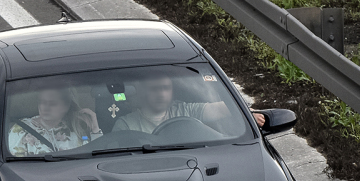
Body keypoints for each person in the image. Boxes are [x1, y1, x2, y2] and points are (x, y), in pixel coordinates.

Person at [112, 71, 266, 134]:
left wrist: (249, 113)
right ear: (144, 92)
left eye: (166, 88)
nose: (161, 93)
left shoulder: (185, 110)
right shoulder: (125, 125)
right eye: (155, 89)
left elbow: (220, 109)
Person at [8, 87, 102, 156]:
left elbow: (95, 158)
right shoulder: (21, 129)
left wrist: (95, 129)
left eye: (52, 104)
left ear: (65, 107)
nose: (45, 107)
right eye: (42, 102)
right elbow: (16, 167)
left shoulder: (75, 128)